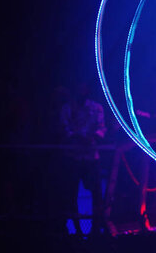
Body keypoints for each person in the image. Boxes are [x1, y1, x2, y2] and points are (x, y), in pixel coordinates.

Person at [60, 83, 106, 236]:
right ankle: (76, 229)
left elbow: (101, 128)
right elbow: (64, 128)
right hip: (73, 156)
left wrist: (91, 138)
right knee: (71, 194)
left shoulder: (96, 107)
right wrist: (77, 138)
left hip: (91, 156)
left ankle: (95, 228)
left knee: (96, 194)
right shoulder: (67, 108)